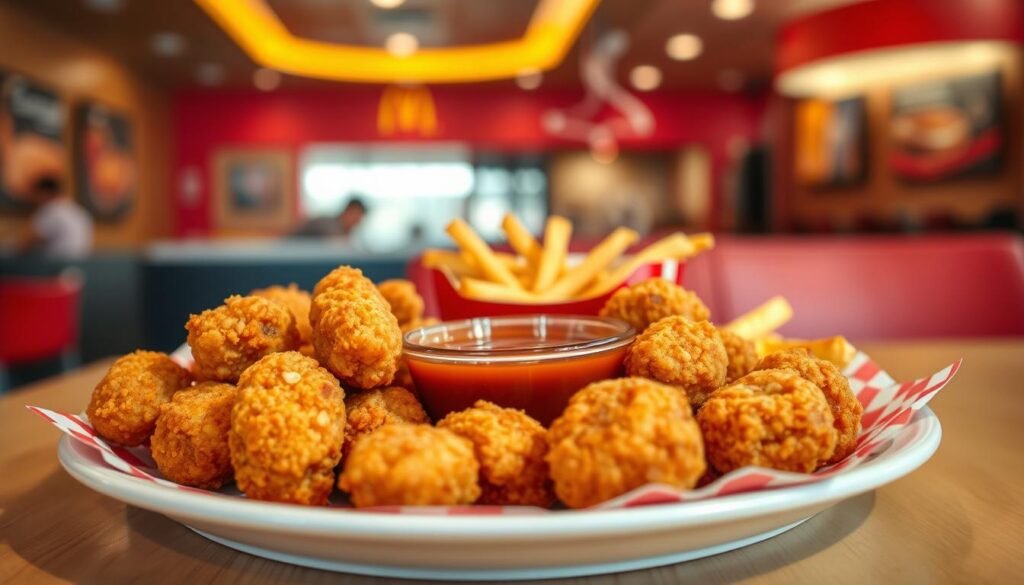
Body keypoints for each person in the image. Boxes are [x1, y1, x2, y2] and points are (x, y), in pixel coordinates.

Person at [16, 175, 93, 259]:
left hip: (55, 267)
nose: (31, 199)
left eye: (34, 194)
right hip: (81, 266)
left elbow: (26, 244)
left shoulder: (50, 210)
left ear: (44, 192)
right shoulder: (79, 211)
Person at [290, 197, 367, 241]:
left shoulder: (343, 231)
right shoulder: (328, 224)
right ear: (347, 212)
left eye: (359, 219)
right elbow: (335, 242)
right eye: (355, 216)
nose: (357, 222)